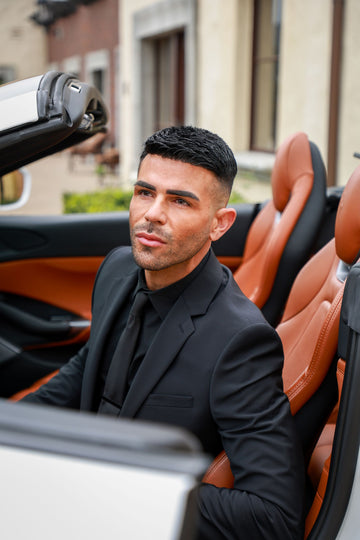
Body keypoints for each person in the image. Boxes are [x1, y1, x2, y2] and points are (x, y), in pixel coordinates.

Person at [23, 126, 304, 538]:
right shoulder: (118, 268)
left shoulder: (240, 341)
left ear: (219, 224)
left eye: (180, 200)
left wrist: (117, 484)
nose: (152, 213)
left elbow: (272, 516)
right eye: (144, 192)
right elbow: (86, 372)